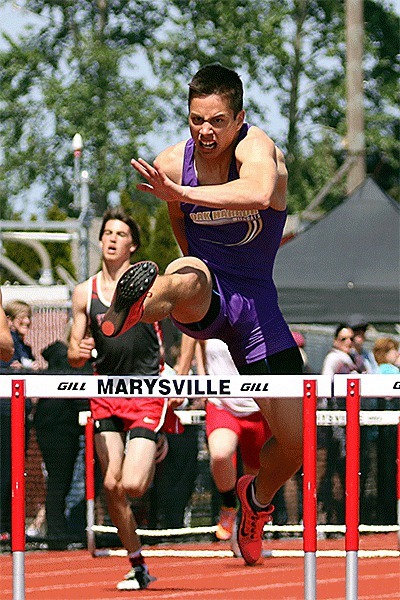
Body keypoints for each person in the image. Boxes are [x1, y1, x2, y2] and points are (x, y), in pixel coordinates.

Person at [101, 64, 304, 565]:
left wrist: (183, 194)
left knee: (296, 446)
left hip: (257, 306)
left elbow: (258, 192)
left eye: (216, 120)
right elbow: (179, 224)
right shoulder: (173, 161)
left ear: (239, 118)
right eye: (196, 120)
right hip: (208, 287)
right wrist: (180, 207)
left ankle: (254, 502)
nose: (205, 131)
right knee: (184, 272)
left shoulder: (259, 149)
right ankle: (137, 305)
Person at [68, 207, 172, 590]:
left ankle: (157, 438)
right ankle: (138, 565)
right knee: (111, 485)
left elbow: (185, 324)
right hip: (105, 392)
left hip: (146, 389)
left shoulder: (151, 284)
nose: (111, 239)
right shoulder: (85, 292)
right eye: (106, 233)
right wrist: (80, 349)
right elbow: (74, 353)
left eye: (119, 234)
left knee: (132, 485)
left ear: (133, 245)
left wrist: (181, 368)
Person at [177, 334, 272, 544]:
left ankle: (251, 523)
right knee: (220, 454)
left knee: (254, 477)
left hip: (257, 407)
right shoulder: (209, 314)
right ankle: (229, 506)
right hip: (222, 404)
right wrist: (203, 381)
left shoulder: (256, 317)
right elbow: (195, 343)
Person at [34, 322, 94, 549]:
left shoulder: (89, 361)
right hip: (55, 427)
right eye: (86, 334)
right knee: (59, 480)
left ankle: (66, 531)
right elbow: (79, 394)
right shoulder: (63, 357)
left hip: (71, 427)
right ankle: (57, 537)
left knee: (67, 480)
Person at [0, 299, 39, 540]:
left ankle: (10, 527)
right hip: (5, 412)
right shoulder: (8, 342)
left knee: (16, 471)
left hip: (20, 413)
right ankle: (4, 526)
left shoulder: (24, 346)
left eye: (28, 318)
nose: (26, 323)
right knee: (6, 470)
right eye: (21, 318)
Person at [320, 324, 365, 526]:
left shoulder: (354, 359)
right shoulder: (334, 359)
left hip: (350, 420)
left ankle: (344, 519)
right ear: (335, 341)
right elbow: (324, 386)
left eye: (350, 338)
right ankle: (327, 520)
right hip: (333, 422)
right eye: (343, 339)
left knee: (349, 470)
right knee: (333, 470)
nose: (348, 342)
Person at [373, 337, 400, 525]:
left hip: (380, 432)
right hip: (389, 431)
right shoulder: (388, 371)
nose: (396, 353)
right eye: (393, 350)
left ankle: (385, 516)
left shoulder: (375, 370)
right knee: (389, 472)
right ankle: (388, 516)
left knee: (383, 472)